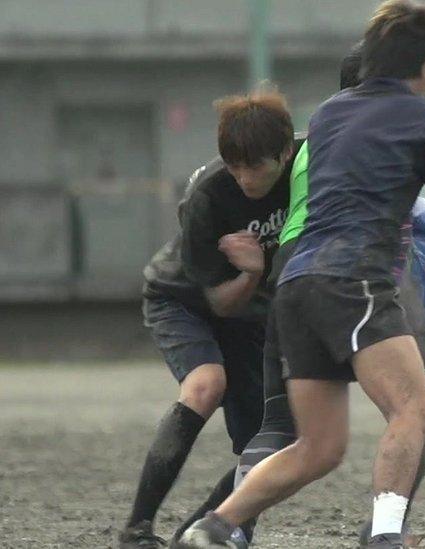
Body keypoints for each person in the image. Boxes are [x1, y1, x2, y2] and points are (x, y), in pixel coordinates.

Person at [176, 2, 425, 548]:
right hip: (359, 278)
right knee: (415, 410)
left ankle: (214, 526)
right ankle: (386, 539)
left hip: (296, 285)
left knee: (318, 448)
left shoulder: (328, 114)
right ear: (424, 68)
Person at [118, 89, 299, 549]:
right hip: (184, 300)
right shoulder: (208, 194)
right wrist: (252, 269)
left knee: (270, 437)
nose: (243, 178)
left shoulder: (306, 166)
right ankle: (136, 529)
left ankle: (203, 530)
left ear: (283, 154)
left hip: (250, 312)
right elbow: (220, 303)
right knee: (205, 385)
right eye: (234, 165)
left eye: (254, 166)